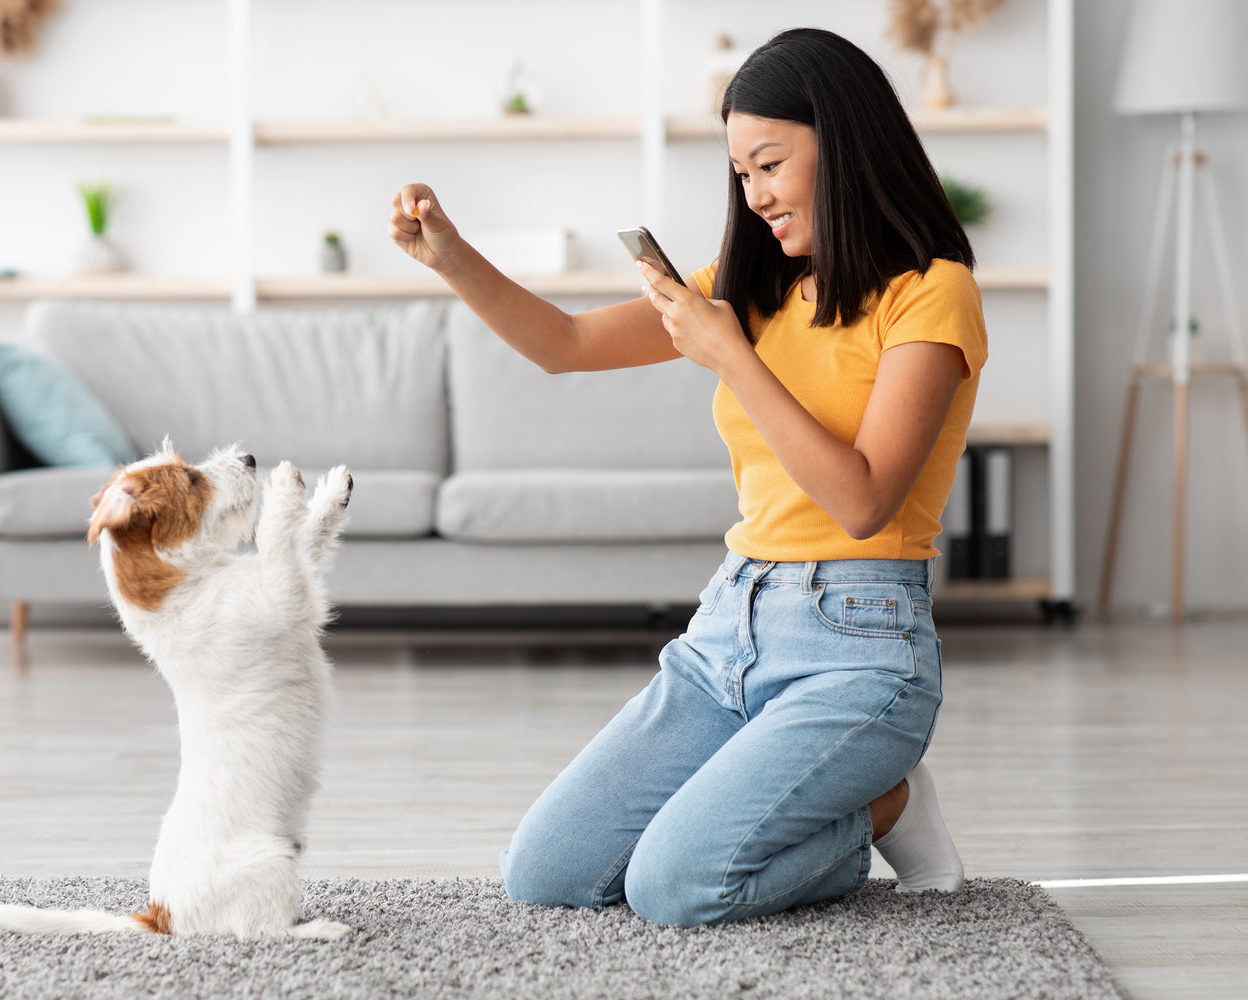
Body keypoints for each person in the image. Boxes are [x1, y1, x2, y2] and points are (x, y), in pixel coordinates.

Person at [387, 26, 983, 927]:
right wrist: (453, 258)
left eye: (771, 164)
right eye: (742, 174)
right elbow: (567, 345)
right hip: (728, 632)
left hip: (860, 644)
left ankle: (885, 804)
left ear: (844, 140)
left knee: (674, 886)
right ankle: (799, 794)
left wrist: (733, 357)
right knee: (545, 871)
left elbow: (863, 501)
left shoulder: (931, 293)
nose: (757, 195)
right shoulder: (750, 288)